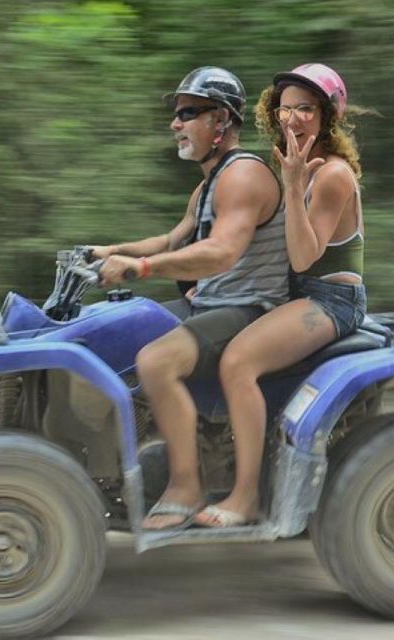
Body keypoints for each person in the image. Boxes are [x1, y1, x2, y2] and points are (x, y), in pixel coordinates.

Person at [94, 67, 288, 530]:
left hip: (248, 308)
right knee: (116, 330)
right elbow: (171, 240)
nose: (174, 124)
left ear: (220, 120)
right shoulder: (209, 182)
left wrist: (139, 270)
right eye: (176, 114)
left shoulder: (244, 176)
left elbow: (221, 252)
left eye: (187, 113)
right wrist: (111, 251)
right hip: (212, 303)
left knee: (156, 361)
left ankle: (186, 484)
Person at [194, 63, 368, 528]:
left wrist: (292, 184)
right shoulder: (288, 163)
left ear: (328, 116)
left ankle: (245, 497)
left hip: (329, 300)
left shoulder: (331, 175)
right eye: (285, 108)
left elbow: (304, 257)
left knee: (237, 361)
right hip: (289, 293)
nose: (292, 119)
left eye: (306, 109)